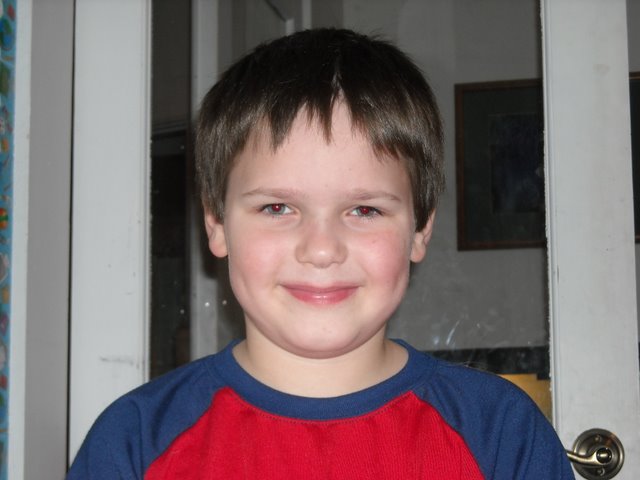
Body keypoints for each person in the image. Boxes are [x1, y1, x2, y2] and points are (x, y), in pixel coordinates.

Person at [67, 28, 574, 479]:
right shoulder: (135, 441)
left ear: (420, 229)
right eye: (277, 207)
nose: (322, 249)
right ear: (216, 224)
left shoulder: (500, 432)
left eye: (364, 210)